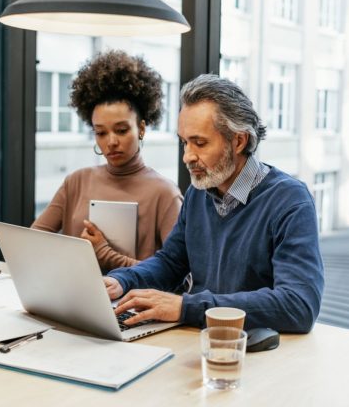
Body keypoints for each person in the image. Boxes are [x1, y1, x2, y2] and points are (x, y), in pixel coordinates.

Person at [105, 74, 324, 333]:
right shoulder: (200, 191)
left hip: (256, 353)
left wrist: (186, 307)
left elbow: (298, 305)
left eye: (200, 143)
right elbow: (171, 262)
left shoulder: (290, 200)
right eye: (184, 142)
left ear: (239, 141)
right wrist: (121, 281)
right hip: (200, 340)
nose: (187, 156)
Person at [32, 50, 183, 272]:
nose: (111, 142)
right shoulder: (76, 182)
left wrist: (106, 254)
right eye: (101, 133)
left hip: (133, 304)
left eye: (121, 130)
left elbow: (175, 275)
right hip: (72, 296)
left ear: (141, 128)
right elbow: (32, 243)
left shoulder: (165, 194)